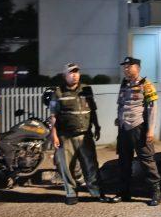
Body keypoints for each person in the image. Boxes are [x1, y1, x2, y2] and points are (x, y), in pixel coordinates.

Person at [49, 63, 118, 204]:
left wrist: (97, 127)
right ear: (65, 76)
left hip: (85, 135)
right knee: (67, 167)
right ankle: (71, 194)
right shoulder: (58, 92)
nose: (75, 75)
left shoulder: (86, 90)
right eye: (71, 72)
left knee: (91, 165)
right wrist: (54, 135)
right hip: (65, 137)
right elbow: (53, 116)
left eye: (76, 72)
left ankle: (96, 192)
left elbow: (93, 110)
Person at [114, 57, 161, 206]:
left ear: (138, 68)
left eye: (129, 66)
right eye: (125, 67)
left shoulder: (146, 85)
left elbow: (152, 109)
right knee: (124, 162)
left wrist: (150, 130)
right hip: (124, 129)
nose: (126, 69)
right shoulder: (124, 84)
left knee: (147, 161)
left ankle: (156, 192)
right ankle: (124, 193)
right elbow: (121, 104)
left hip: (139, 128)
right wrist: (119, 118)